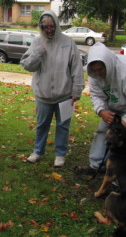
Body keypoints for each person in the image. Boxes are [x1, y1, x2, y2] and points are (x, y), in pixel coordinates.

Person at [20, 10, 85, 167]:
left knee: (63, 126)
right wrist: (37, 54)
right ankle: (38, 151)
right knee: (42, 125)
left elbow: (76, 68)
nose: (49, 30)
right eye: (45, 27)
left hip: (65, 95)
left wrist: (76, 91)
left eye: (51, 26)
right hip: (43, 95)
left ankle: (60, 154)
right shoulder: (37, 42)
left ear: (56, 24)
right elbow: (27, 66)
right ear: (41, 27)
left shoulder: (68, 42)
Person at [77, 42, 126, 175]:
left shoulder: (123, 70)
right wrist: (101, 111)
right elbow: (96, 95)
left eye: (101, 69)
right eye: (95, 70)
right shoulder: (94, 74)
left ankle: (120, 171)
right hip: (111, 108)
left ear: (108, 64)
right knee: (102, 131)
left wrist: (124, 118)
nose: (98, 73)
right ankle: (96, 165)